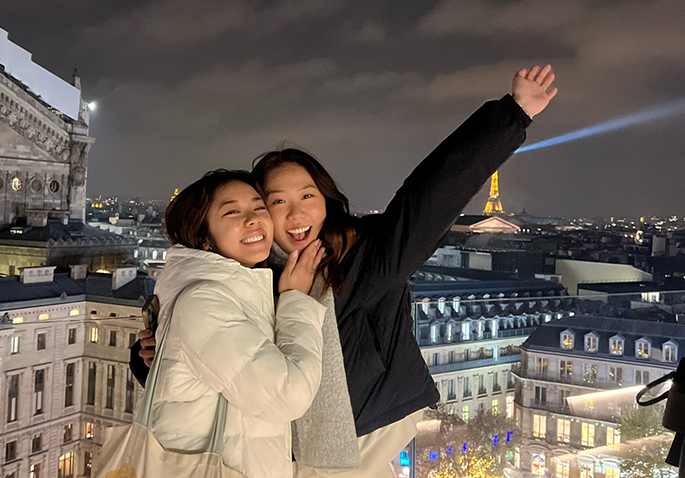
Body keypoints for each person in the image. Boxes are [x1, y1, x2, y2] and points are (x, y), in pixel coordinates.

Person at [133, 65, 558, 476]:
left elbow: (431, 194)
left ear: (327, 199)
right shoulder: (249, 278)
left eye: (307, 195)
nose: (296, 213)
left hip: (364, 433)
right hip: (284, 451)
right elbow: (232, 366)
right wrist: (150, 358)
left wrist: (512, 114)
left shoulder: (362, 254)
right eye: (277, 201)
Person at [148, 169, 327, 478]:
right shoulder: (204, 302)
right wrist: (296, 300)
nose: (254, 218)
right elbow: (288, 394)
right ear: (203, 237)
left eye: (260, 207)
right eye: (233, 212)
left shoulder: (232, 292)